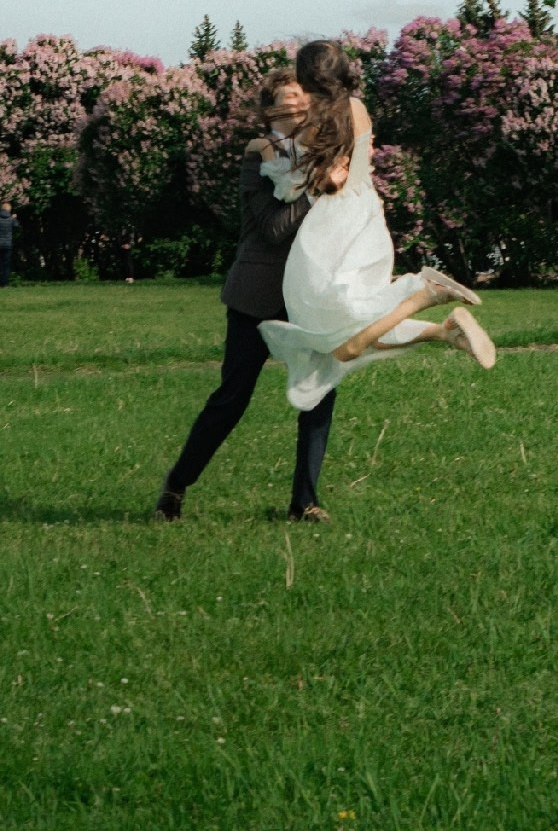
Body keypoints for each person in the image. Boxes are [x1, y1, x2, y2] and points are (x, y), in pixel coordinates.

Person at [258, 41, 495, 419]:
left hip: (330, 227)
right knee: (352, 323)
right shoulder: (357, 109)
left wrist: (272, 156)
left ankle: (423, 296)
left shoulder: (314, 122)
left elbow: (295, 187)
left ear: (306, 78)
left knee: (332, 333)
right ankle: (444, 329)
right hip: (366, 218)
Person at [157, 68, 336, 523]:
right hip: (256, 296)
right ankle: (176, 485)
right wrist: (318, 186)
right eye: (285, 101)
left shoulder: (324, 155)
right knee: (232, 399)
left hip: (306, 299)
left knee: (318, 396)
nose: (296, 107)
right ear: (269, 111)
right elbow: (275, 230)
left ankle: (305, 503)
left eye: (301, 99)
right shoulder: (257, 156)